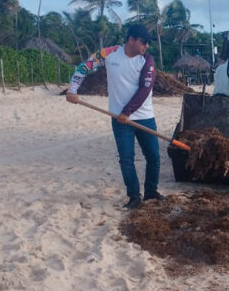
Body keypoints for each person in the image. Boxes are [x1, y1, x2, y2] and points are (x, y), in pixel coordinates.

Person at [65, 24, 164, 209]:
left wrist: (127, 112)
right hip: (119, 119)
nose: (147, 46)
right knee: (126, 158)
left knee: (154, 157)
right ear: (131, 39)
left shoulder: (147, 61)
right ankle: (134, 196)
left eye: (148, 43)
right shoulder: (108, 54)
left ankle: (151, 192)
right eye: (144, 42)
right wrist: (72, 89)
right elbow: (83, 68)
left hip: (144, 116)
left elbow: (145, 90)